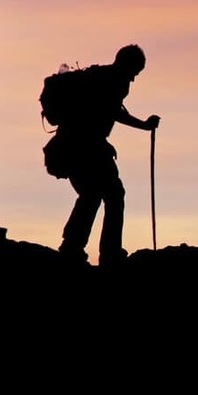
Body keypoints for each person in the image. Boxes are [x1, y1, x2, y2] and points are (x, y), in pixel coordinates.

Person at [56, 44, 160, 266]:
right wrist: (143, 125)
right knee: (113, 194)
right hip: (87, 147)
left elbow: (106, 113)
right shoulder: (115, 80)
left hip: (74, 144)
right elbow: (112, 113)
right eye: (134, 73)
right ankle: (108, 252)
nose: (133, 79)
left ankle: (72, 246)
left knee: (92, 194)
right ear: (126, 64)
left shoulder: (98, 76)